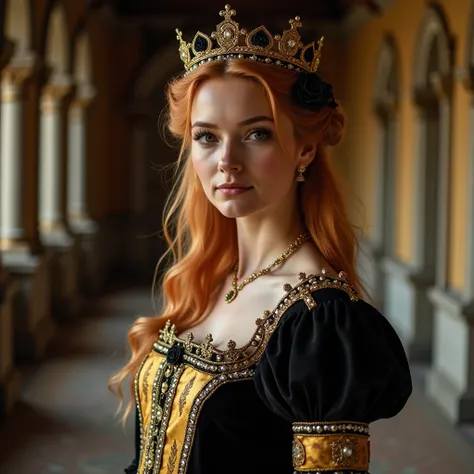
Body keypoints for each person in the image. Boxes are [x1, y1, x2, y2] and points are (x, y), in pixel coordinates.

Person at [110, 5, 412, 474]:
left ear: (306, 147)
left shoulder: (320, 323)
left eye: (256, 133)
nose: (226, 160)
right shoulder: (207, 277)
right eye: (207, 137)